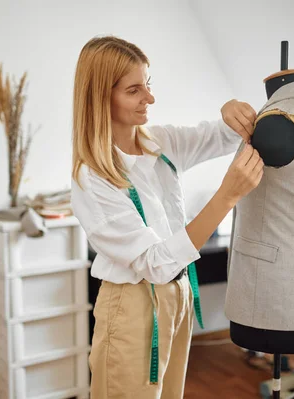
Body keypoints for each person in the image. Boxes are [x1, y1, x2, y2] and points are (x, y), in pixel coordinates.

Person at [70, 35, 264, 399]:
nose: (150, 98)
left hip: (179, 296)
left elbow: (220, 136)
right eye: (134, 90)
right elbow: (156, 263)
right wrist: (229, 195)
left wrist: (230, 112)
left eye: (148, 84)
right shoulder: (92, 178)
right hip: (132, 307)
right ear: (100, 97)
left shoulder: (159, 143)